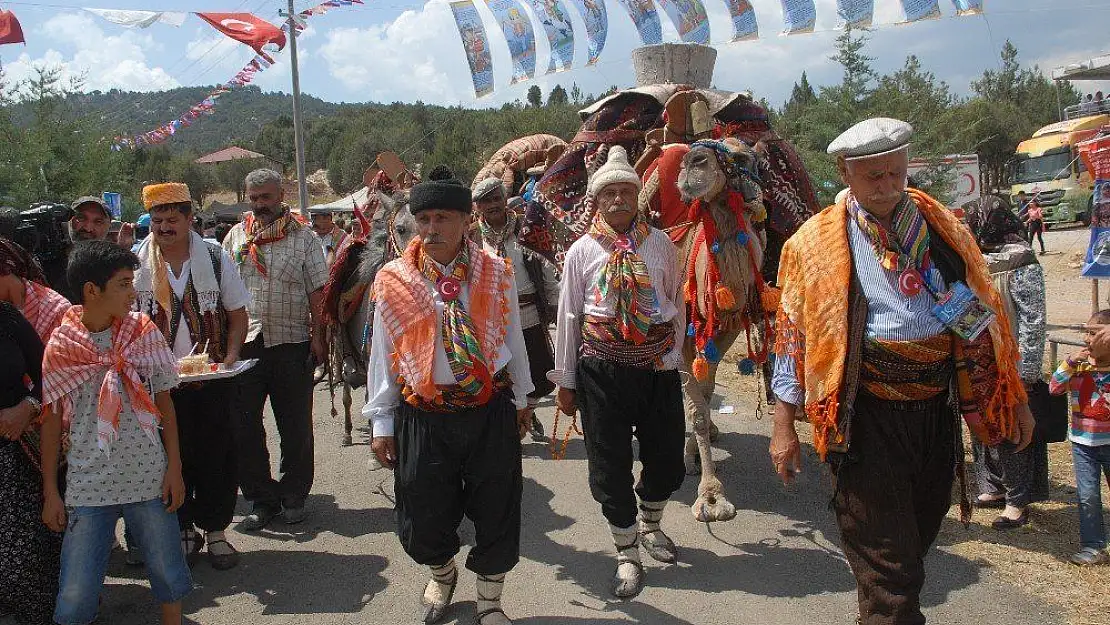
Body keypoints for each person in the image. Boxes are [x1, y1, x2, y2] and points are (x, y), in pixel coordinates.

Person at [769, 118, 1035, 625]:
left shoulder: (942, 230)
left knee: (914, 542)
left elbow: (980, 317)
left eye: (897, 173)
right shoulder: (814, 246)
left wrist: (1014, 397)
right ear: (844, 171)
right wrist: (783, 426)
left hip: (936, 413)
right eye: (875, 177)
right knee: (889, 573)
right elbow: (792, 339)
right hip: (864, 419)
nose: (890, 187)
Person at [364, 166, 533, 625]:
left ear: (466, 221)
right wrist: (382, 422)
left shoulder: (496, 271)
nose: (432, 229)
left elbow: (513, 339)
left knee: (498, 507)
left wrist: (521, 399)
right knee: (421, 515)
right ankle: (442, 572)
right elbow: (384, 353)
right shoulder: (393, 279)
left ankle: (490, 601)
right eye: (425, 219)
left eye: (443, 218)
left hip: (488, 408)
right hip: (424, 412)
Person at [552, 146, 687, 599]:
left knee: (668, 460)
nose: (618, 201)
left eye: (625, 191)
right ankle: (627, 551)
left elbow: (675, 304)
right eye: (609, 193)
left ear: (638, 195)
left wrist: (673, 360)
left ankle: (651, 525)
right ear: (597, 200)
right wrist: (566, 381)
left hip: (656, 368)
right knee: (609, 467)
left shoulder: (662, 245)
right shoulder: (581, 251)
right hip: (601, 372)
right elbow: (569, 315)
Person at [39, 240, 191, 625]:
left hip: (148, 477)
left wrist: (174, 467)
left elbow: (165, 402)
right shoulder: (63, 345)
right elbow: (53, 418)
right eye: (123, 284)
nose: (132, 293)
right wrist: (51, 492)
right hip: (89, 484)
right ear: (92, 290)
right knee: (76, 590)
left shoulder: (143, 332)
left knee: (167, 570)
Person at [135, 183, 251, 569]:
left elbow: (237, 315)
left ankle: (217, 531)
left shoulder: (215, 259)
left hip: (213, 380)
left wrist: (231, 357)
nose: (164, 227)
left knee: (218, 454)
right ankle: (183, 528)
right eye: (158, 220)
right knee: (170, 457)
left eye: (172, 219)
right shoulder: (138, 265)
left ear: (189, 220)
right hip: (157, 385)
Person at [222, 168, 328, 530]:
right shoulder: (236, 237)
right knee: (245, 427)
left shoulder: (304, 238)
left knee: (295, 426)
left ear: (281, 194)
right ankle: (261, 499)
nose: (260, 205)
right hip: (247, 345)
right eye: (254, 199)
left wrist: (319, 336)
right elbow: (227, 293)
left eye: (266, 197)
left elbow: (318, 292)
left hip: (292, 342)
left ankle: (294, 494)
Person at [963, 196, 1048, 529]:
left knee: (1014, 430)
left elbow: (1033, 319)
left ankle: (1018, 502)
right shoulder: (975, 259)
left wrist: (1025, 371)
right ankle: (993, 487)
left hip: (1012, 362)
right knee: (984, 428)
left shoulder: (1022, 261)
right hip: (983, 357)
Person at [0, 237, 63, 625]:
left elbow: (49, 377)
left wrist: (28, 407)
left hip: (17, 455)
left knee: (28, 564)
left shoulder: (8, 319)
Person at [471, 177, 560, 438]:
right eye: (486, 201)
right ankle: (511, 422)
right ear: (478, 207)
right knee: (500, 377)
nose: (493, 205)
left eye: (496, 198)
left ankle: (527, 414)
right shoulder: (473, 238)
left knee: (541, 375)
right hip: (491, 321)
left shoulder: (528, 228)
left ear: (504, 198)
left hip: (529, 314)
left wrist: (555, 307)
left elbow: (546, 269)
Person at [1049, 310, 1110, 566]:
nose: (1087, 338)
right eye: (1085, 332)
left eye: (1094, 333)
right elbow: (1054, 387)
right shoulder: (1078, 365)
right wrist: (1069, 364)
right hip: (1083, 444)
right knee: (1087, 496)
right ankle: (1093, 546)